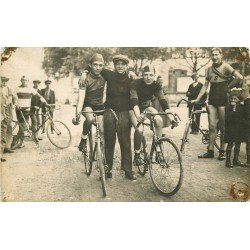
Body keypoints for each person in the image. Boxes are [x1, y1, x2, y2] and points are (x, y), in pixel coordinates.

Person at [80, 54, 137, 180]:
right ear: (114, 65)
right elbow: (93, 66)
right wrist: (84, 72)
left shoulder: (130, 78)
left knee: (125, 141)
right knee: (109, 141)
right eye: (118, 64)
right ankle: (107, 170)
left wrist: (133, 74)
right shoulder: (109, 74)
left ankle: (128, 170)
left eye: (123, 64)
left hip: (124, 112)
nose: (120, 66)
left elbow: (135, 93)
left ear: (127, 66)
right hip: (109, 111)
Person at [192, 48, 243, 160]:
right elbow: (205, 86)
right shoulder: (209, 69)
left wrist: (228, 87)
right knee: (211, 126)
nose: (214, 57)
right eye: (213, 55)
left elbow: (239, 77)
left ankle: (222, 151)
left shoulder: (226, 66)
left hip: (223, 99)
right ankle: (210, 150)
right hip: (212, 98)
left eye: (216, 55)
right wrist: (197, 99)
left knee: (223, 127)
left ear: (221, 55)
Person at [130, 65, 176, 165]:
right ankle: (137, 154)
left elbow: (163, 102)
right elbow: (134, 101)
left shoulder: (156, 85)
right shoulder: (135, 83)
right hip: (133, 108)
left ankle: (158, 151)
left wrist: (171, 118)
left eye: (151, 75)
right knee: (139, 129)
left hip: (146, 107)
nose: (148, 77)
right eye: (146, 75)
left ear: (154, 75)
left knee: (159, 120)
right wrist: (138, 115)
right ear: (142, 75)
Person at [76, 53, 106, 152]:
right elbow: (80, 99)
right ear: (90, 65)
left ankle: (101, 156)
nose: (98, 68)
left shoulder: (104, 76)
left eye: (100, 65)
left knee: (102, 130)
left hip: (99, 106)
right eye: (95, 65)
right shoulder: (85, 78)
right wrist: (77, 115)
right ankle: (83, 139)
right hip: (87, 105)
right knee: (90, 119)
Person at [15, 76, 49, 142]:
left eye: (26, 80)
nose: (24, 81)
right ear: (21, 81)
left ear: (28, 81)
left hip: (27, 109)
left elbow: (39, 96)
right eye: (23, 80)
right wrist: (16, 104)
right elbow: (13, 97)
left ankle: (20, 140)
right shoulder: (17, 89)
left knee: (24, 125)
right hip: (19, 110)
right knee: (21, 125)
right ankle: (19, 142)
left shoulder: (30, 89)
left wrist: (45, 102)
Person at [224, 88, 245, 168]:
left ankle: (236, 160)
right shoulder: (228, 108)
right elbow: (228, 119)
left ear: (239, 100)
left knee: (238, 144)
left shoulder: (241, 107)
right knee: (230, 144)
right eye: (232, 98)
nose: (233, 100)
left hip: (239, 128)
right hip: (230, 129)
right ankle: (228, 161)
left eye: (235, 99)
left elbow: (241, 118)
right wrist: (233, 109)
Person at [1, 76, 18, 162]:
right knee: (2, 131)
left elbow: (13, 98)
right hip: (2, 112)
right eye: (3, 81)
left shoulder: (9, 89)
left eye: (5, 81)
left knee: (9, 129)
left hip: (9, 112)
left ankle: (7, 147)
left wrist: (14, 104)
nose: (4, 83)